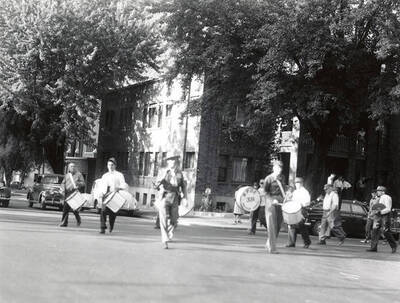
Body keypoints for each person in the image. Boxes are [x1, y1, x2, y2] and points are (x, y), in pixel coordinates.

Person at [156, 155, 186, 249]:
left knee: (174, 220)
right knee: (163, 219)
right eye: (170, 161)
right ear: (168, 162)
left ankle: (169, 234)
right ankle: (165, 240)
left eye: (174, 160)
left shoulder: (179, 173)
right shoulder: (164, 172)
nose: (172, 162)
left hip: (175, 198)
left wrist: (185, 196)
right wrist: (158, 185)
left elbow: (183, 185)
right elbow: (157, 184)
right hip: (165, 197)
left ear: (176, 162)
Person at [99, 157, 128, 234]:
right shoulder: (104, 176)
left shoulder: (119, 175)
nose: (110, 167)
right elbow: (101, 186)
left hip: (114, 195)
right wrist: (101, 193)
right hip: (105, 195)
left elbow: (124, 185)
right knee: (103, 211)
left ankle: (111, 225)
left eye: (112, 165)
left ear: (115, 166)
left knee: (112, 213)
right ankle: (102, 227)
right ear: (107, 166)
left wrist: (118, 188)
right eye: (109, 165)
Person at [264, 160, 286, 254]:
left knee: (278, 225)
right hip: (271, 202)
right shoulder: (268, 178)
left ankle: (269, 243)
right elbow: (265, 192)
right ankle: (272, 249)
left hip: (280, 201)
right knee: (272, 225)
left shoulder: (282, 178)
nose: (279, 170)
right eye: (277, 167)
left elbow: (283, 190)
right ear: (274, 168)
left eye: (280, 168)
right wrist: (272, 200)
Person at [367, 186, 397, 253]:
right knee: (375, 231)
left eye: (378, 191)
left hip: (385, 216)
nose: (377, 192)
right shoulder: (380, 198)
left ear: (383, 191)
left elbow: (388, 209)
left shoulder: (386, 197)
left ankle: (394, 245)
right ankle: (373, 247)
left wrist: (379, 211)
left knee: (386, 231)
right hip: (379, 215)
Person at [286, 177, 312, 248]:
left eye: (298, 182)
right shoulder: (295, 192)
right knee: (292, 225)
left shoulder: (305, 192)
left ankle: (307, 242)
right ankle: (291, 242)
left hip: (301, 209)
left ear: (302, 183)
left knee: (301, 226)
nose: (297, 184)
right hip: (294, 209)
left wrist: (301, 204)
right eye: (296, 183)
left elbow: (307, 202)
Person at [59, 163, 85, 227]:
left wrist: (77, 183)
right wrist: (62, 189)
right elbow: (63, 183)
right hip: (67, 193)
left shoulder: (79, 174)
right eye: (71, 166)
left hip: (74, 193)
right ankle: (64, 222)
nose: (73, 167)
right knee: (65, 209)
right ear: (69, 168)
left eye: (74, 166)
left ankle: (78, 219)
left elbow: (83, 183)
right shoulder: (67, 175)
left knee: (75, 209)